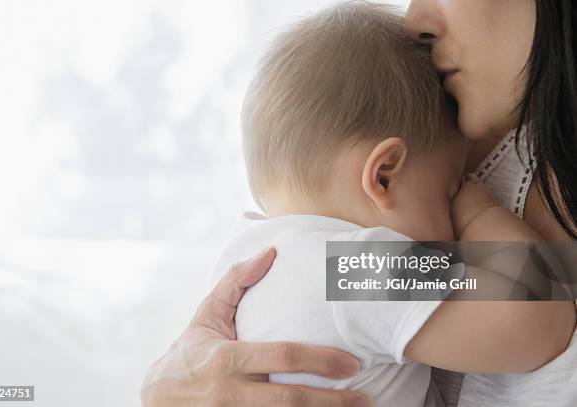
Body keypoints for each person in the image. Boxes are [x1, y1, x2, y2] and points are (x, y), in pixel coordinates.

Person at [141, 0, 577, 406]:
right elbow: (540, 318)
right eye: (448, 193)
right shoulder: (354, 263)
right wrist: (479, 213)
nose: (415, 18)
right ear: (383, 175)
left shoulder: (254, 253)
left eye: (452, 196)